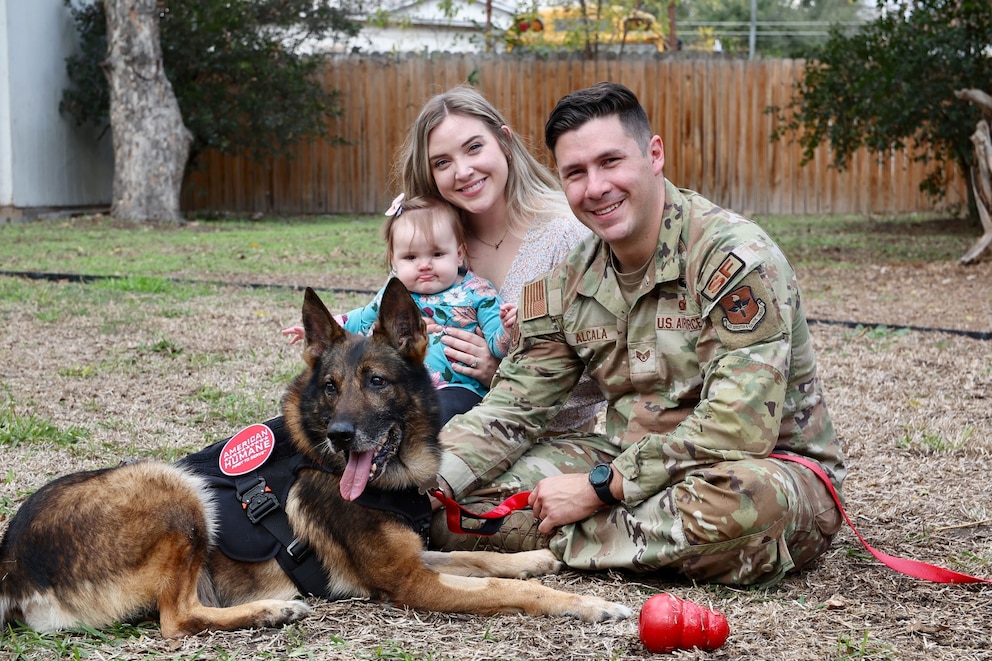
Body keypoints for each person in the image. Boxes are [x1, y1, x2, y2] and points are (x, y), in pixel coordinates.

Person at [431, 81, 846, 588]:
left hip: (755, 468)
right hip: (628, 458)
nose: (596, 187)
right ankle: (638, 541)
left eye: (610, 162)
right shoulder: (565, 282)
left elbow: (738, 427)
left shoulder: (733, 259)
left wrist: (598, 489)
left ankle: (559, 544)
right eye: (576, 173)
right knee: (458, 511)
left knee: (747, 505)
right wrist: (422, 482)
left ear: (654, 154)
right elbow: (511, 406)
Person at [395, 85, 604, 435]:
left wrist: (502, 375)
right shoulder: (427, 243)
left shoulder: (567, 234)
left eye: (474, 148)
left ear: (504, 142)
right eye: (442, 162)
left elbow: (601, 375)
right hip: (420, 417)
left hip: (545, 441)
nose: (462, 171)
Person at [283, 194, 514, 424]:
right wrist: (322, 329)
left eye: (437, 254)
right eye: (411, 257)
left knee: (437, 417)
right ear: (395, 261)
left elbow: (496, 344)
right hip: (398, 388)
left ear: (459, 254)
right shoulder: (394, 295)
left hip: (458, 387)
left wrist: (507, 328)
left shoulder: (478, 292)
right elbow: (361, 319)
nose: (424, 265)